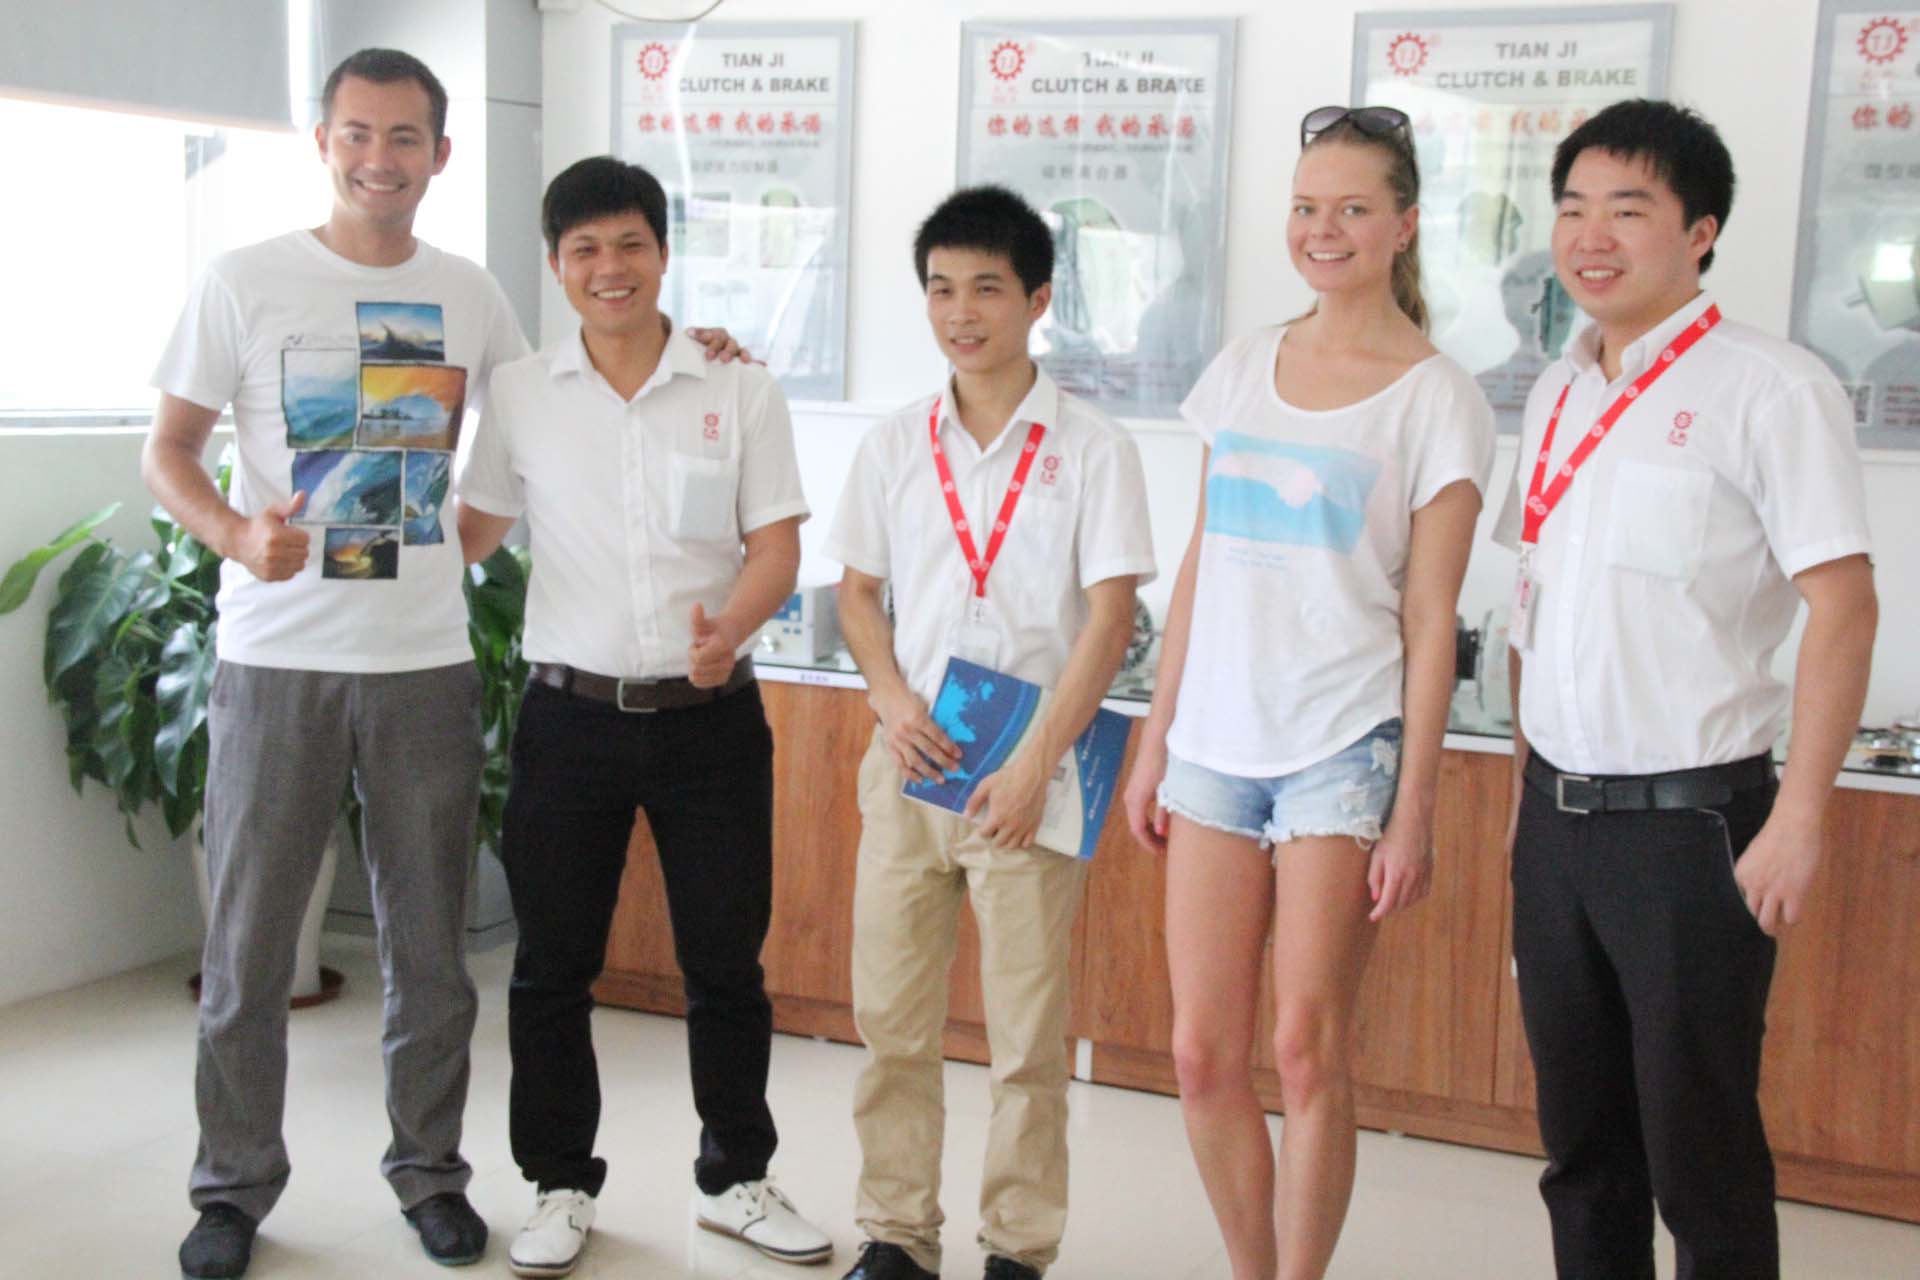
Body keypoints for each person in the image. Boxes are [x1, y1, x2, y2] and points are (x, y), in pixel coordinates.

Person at [143, 48, 530, 1279]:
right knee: (249, 951)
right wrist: (233, 535)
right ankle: (231, 1188)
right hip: (275, 662)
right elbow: (168, 449)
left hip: (423, 666)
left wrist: (459, 545)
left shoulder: (471, 293)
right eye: (357, 132)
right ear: (323, 142)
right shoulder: (244, 279)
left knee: (431, 953)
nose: (379, 158)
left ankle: (430, 1174)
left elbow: (534, 430)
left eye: (404, 136)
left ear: (440, 154)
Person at [1493, 99, 1877, 1280]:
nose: (1590, 235)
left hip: (1692, 825)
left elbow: (1845, 602)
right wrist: (1524, 799)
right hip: (1556, 821)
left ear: (1700, 231)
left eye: (1628, 209)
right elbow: (1538, 606)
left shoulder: (1772, 386)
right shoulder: (1557, 391)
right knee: (1581, 1149)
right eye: (1572, 207)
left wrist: (1800, 816)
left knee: (1698, 1153)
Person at [1122, 105, 1494, 1280]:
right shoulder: (1243, 366)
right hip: (1213, 744)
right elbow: (1202, 559)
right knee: (1199, 1051)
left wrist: (1414, 806)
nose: (1322, 229)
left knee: (1305, 1046)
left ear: (1404, 225)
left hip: (1343, 745)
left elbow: (1431, 617)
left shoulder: (1437, 396)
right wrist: (1155, 734)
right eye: (1305, 207)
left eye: (1352, 208)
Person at [457, 155, 832, 1279]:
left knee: (726, 964)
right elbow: (472, 533)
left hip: (709, 718)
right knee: (550, 967)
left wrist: (733, 630)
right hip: (567, 720)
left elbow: (777, 546)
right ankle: (559, 1184)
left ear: (663, 254)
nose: (608, 268)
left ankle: (734, 1179)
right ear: (556, 265)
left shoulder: (738, 387)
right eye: (584, 250)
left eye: (629, 244)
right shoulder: (521, 392)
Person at [824, 185, 1156, 1280]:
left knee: (1025, 1037)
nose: (960, 312)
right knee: (891, 1022)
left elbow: (1110, 617)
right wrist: (888, 696)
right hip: (911, 759)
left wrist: (1035, 761)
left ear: (1038, 299)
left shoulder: (1093, 446)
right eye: (940, 289)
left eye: (985, 288)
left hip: (1031, 772)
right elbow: (857, 592)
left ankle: (1018, 1244)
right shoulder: (893, 444)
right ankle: (895, 1232)